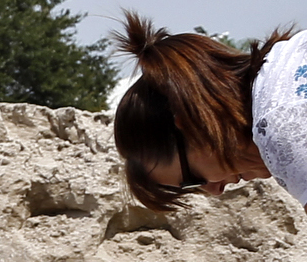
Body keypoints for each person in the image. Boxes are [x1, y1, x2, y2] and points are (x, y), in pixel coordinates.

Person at [111, 13, 303, 209]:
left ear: (195, 127)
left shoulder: (284, 132)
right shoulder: (288, 61)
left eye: (192, 179)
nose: (215, 191)